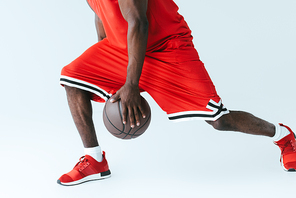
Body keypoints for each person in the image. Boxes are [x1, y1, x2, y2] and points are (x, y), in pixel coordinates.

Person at [57, 0, 296, 186]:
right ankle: (95, 160)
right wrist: (108, 74)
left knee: (220, 120)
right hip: (121, 47)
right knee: (73, 78)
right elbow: (101, 20)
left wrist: (130, 85)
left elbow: (139, 22)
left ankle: (284, 136)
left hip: (168, 48)